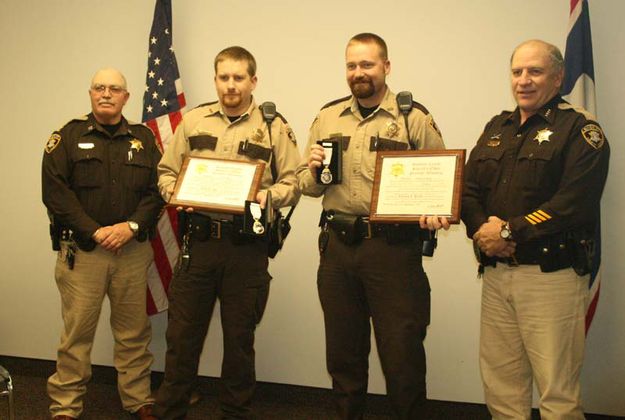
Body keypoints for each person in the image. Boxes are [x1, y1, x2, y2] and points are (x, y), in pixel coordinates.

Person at [296, 33, 449, 419]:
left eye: (367, 64)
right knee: (343, 354)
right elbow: (306, 186)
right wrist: (313, 170)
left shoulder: (413, 118)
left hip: (392, 251)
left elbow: (439, 180)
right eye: (351, 65)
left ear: (386, 67)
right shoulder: (327, 116)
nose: (358, 72)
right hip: (337, 248)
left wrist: (433, 209)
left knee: (402, 355)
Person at [462, 39, 610, 419]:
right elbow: (467, 189)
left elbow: (571, 204)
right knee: (502, 387)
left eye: (535, 71)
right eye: (517, 72)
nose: (523, 81)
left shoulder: (580, 130)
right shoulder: (498, 127)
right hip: (496, 276)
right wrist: (483, 231)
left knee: (557, 394)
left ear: (558, 77)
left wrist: (509, 232)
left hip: (550, 279)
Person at [152, 46, 301, 419]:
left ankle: (235, 413)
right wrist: (177, 195)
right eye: (223, 77)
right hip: (198, 244)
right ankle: (170, 411)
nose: (230, 85)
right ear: (215, 78)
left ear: (254, 81)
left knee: (239, 343)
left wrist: (268, 196)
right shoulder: (195, 121)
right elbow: (166, 172)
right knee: (182, 340)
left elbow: (295, 181)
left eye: (238, 78)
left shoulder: (272, 125)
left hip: (246, 248)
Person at [42, 68, 164, 420]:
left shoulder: (144, 139)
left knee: (133, 332)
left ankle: (138, 398)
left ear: (126, 97)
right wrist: (95, 231)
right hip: (83, 253)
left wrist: (131, 226)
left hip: (131, 251)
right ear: (90, 93)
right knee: (77, 332)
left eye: (114, 89)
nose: (106, 94)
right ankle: (65, 406)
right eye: (99, 88)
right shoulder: (66, 137)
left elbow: (158, 191)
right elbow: (56, 194)